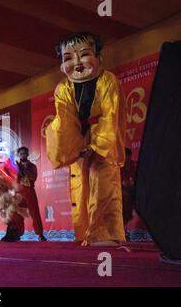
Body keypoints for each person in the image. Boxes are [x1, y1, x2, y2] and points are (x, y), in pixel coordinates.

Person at [46, 32, 126, 246]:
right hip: (79, 141)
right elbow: (64, 120)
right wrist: (75, 147)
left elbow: (111, 115)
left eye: (84, 55)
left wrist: (97, 145)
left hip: (103, 142)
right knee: (80, 186)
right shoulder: (63, 89)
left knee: (103, 184)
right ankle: (84, 232)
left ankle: (107, 234)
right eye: (68, 58)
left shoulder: (108, 81)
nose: (77, 63)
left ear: (98, 57)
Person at [2, 147, 46, 242]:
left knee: (35, 213)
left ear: (27, 154)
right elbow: (12, 179)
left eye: (24, 153)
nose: (23, 155)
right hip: (19, 191)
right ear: (19, 155)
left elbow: (34, 177)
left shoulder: (32, 166)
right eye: (21, 154)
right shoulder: (16, 166)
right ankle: (16, 233)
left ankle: (40, 234)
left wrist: (24, 170)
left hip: (29, 191)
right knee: (16, 212)